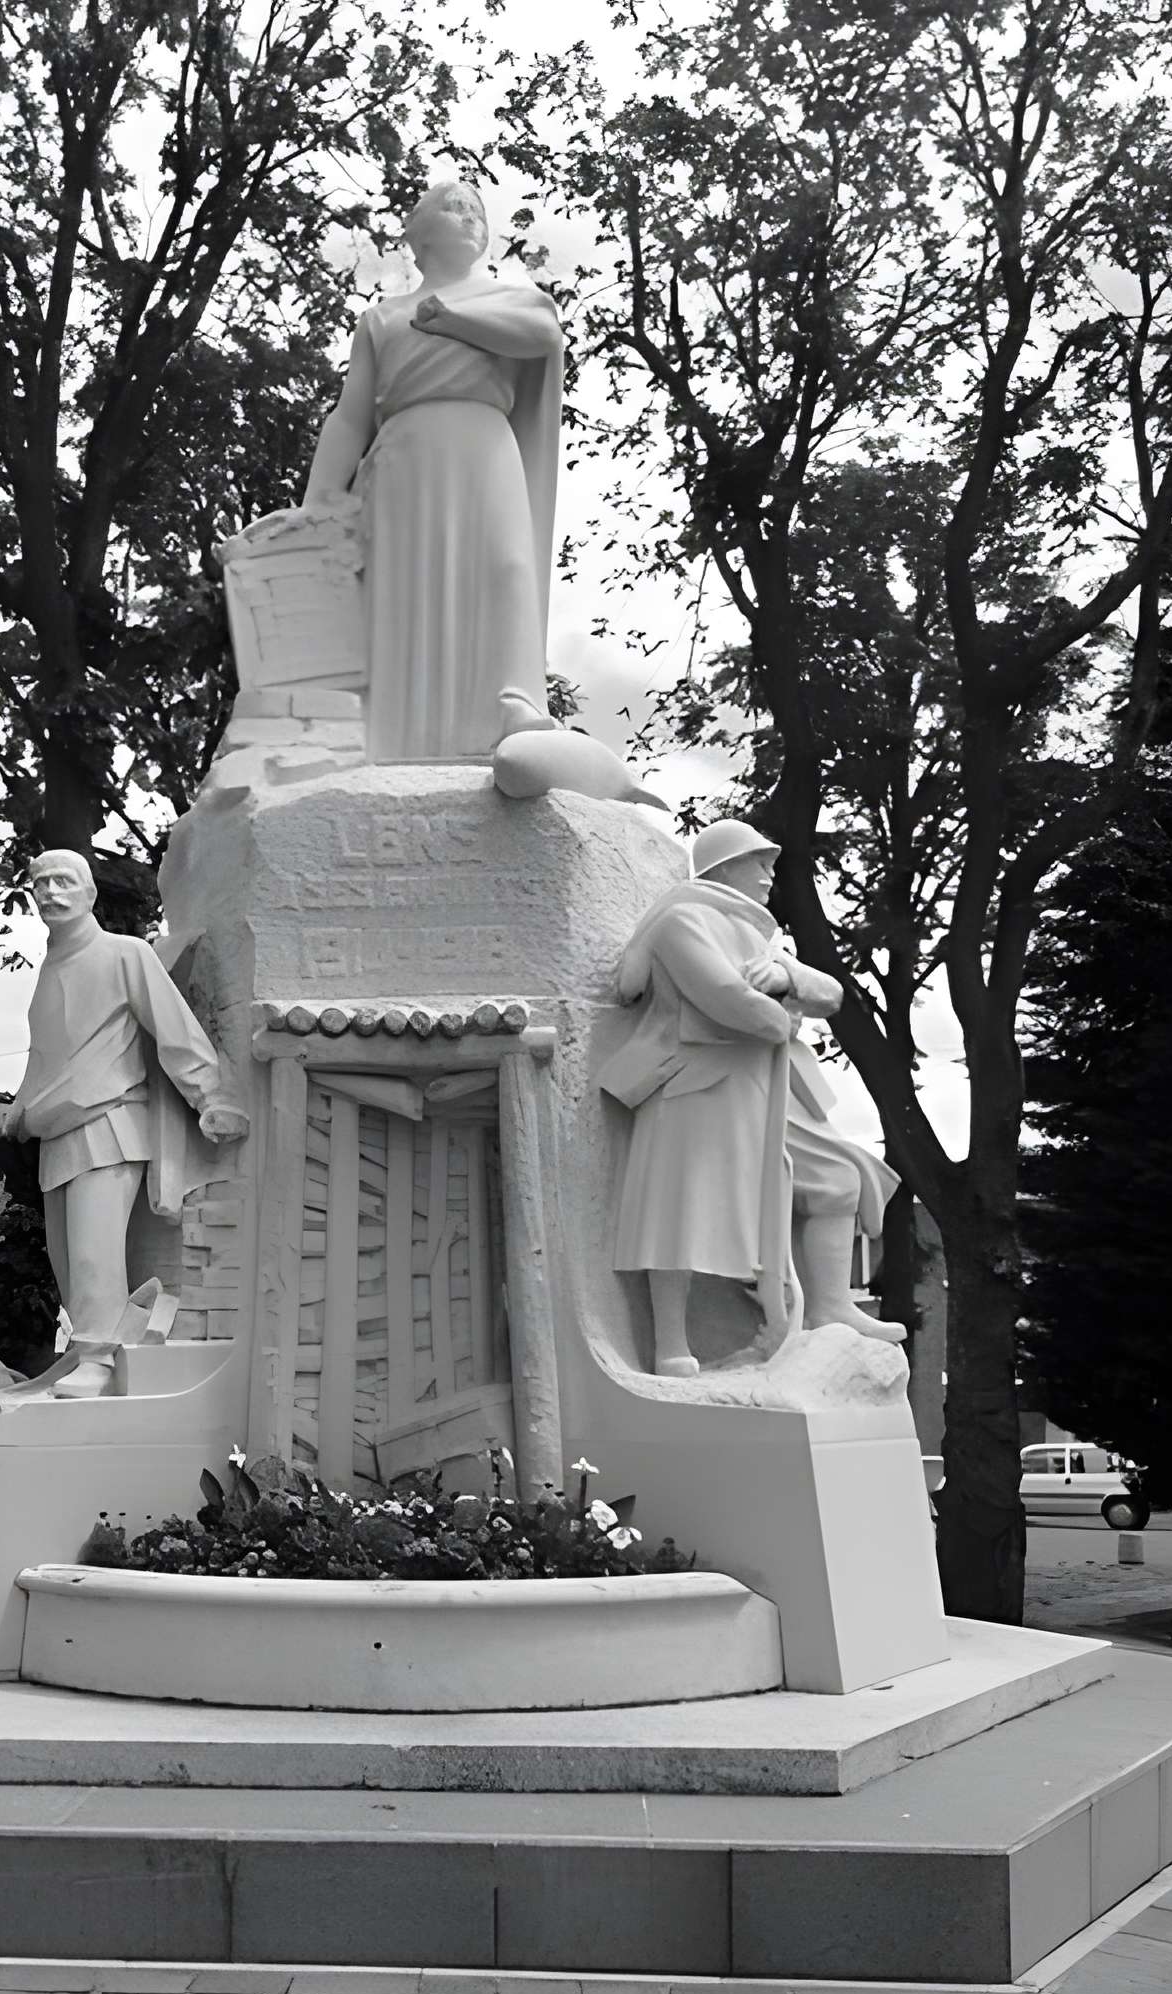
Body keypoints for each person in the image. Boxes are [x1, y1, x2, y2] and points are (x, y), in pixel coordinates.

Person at [599, 820, 903, 1375]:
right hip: (696, 1087)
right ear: (724, 866)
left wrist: (785, 973)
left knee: (838, 1179)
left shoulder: (762, 936)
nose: (769, 874)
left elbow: (830, 993)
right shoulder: (681, 919)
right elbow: (733, 1003)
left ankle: (832, 1307)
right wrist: (784, 1014)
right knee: (678, 1211)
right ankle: (671, 1345)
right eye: (758, 861)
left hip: (765, 1089)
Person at [301, 177, 563, 764]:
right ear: (416, 239)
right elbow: (350, 416)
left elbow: (542, 337)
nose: (469, 215)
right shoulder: (383, 318)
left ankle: (508, 704)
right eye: (452, 207)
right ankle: (393, 739)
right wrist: (318, 500)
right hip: (404, 457)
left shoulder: (513, 297)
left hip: (483, 446)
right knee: (402, 587)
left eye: (476, 209)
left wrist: (452, 321)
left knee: (504, 566)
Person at [3, 851, 248, 1397]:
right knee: (68, 1261)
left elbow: (173, 1028)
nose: (50, 893)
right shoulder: (50, 971)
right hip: (57, 1132)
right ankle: (86, 1351)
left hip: (109, 1123)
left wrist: (211, 1096)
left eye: (63, 881)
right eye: (40, 884)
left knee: (95, 1252)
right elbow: (45, 1058)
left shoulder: (125, 954)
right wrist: (19, 1109)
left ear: (90, 893)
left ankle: (99, 1358)